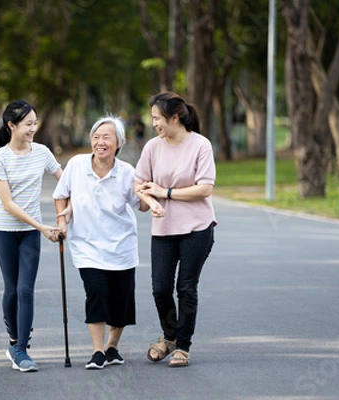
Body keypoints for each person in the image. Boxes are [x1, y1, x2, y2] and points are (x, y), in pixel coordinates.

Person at [53, 115, 148, 370]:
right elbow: (61, 196)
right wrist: (62, 222)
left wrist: (150, 191)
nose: (100, 142)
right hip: (87, 246)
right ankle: (97, 351)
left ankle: (112, 347)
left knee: (120, 300)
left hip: (121, 246)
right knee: (95, 293)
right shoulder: (76, 165)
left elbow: (142, 206)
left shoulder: (128, 172)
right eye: (96, 137)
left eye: (107, 137)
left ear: (119, 143)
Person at [134, 91, 216, 368]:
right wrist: (149, 201)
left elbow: (205, 188)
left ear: (175, 117)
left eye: (157, 118)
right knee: (160, 289)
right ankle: (169, 337)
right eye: (153, 118)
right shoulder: (152, 147)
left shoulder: (200, 145)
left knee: (186, 287)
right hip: (164, 229)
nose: (154, 123)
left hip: (197, 227)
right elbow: (139, 185)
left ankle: (183, 346)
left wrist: (165, 193)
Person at [0, 100, 64, 372]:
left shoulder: (42, 152)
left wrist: (68, 208)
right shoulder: (0, 158)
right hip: (5, 231)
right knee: (11, 288)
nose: (34, 128)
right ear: (12, 126)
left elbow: (65, 180)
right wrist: (42, 226)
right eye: (28, 124)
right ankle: (13, 339)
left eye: (35, 123)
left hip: (31, 233)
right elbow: (8, 204)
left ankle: (21, 349)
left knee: (26, 289)